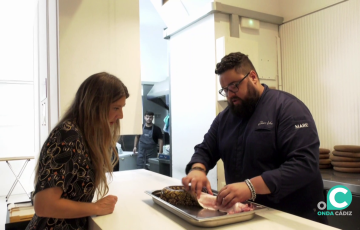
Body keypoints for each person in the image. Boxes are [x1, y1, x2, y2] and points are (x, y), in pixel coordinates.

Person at [181, 52, 328, 224]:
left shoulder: (287, 108)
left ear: (253, 77)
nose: (229, 95)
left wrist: (251, 187)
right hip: (247, 216)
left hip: (293, 217)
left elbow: (304, 164)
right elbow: (206, 149)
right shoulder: (225, 118)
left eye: (234, 86)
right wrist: (197, 169)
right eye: (225, 89)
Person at [26, 72, 129, 229]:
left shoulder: (84, 135)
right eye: (116, 107)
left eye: (121, 108)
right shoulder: (68, 134)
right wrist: (96, 208)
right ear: (95, 105)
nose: (120, 115)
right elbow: (43, 205)